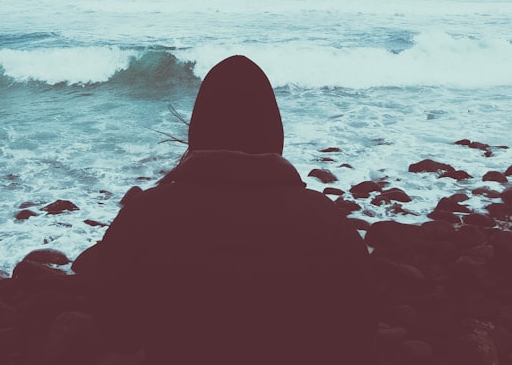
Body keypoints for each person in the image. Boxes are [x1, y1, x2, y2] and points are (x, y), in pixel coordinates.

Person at [73, 55, 377, 364]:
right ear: (274, 130)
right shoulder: (324, 219)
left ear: (200, 128)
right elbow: (359, 333)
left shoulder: (146, 214)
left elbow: (117, 332)